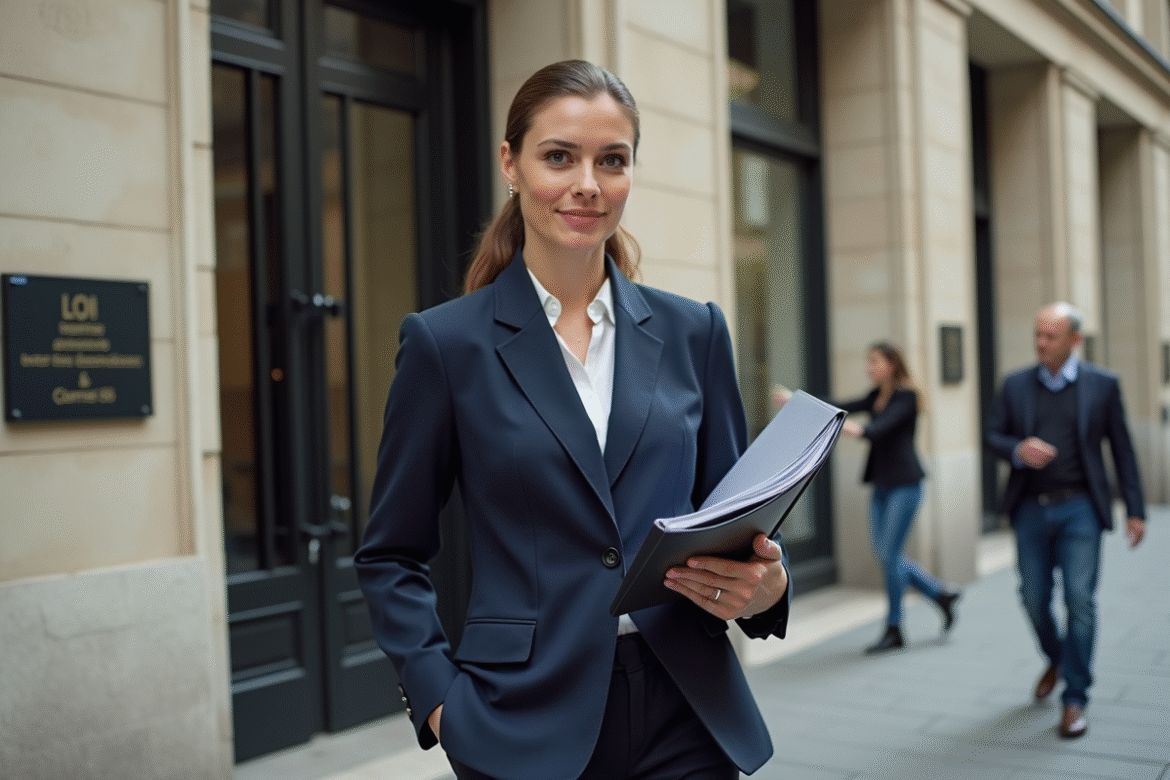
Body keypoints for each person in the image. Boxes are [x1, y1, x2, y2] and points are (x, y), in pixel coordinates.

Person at [354, 60, 792, 780]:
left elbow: (738, 521)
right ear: (511, 164)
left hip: (688, 708)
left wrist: (769, 590)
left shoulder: (696, 332)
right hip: (519, 718)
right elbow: (390, 554)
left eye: (611, 160)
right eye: (559, 156)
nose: (588, 182)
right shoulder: (445, 345)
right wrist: (438, 701)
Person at [985, 302, 1146, 740]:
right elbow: (992, 436)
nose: (1040, 343)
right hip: (1031, 507)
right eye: (1037, 334)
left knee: (1080, 600)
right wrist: (1019, 449)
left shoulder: (1103, 384)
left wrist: (1135, 509)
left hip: (1080, 508)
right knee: (1034, 597)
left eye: (1050, 336)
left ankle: (1075, 697)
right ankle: (1057, 657)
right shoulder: (1016, 384)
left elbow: (1122, 447)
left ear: (1075, 340)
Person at [779, 343, 960, 655]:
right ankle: (939, 594)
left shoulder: (906, 396)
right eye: (868, 361)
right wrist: (800, 402)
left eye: (874, 361)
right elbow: (839, 403)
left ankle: (894, 628)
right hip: (881, 485)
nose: (869, 367)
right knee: (886, 556)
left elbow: (876, 431)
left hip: (905, 484)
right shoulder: (876, 395)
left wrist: (844, 428)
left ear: (891, 363)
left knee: (889, 556)